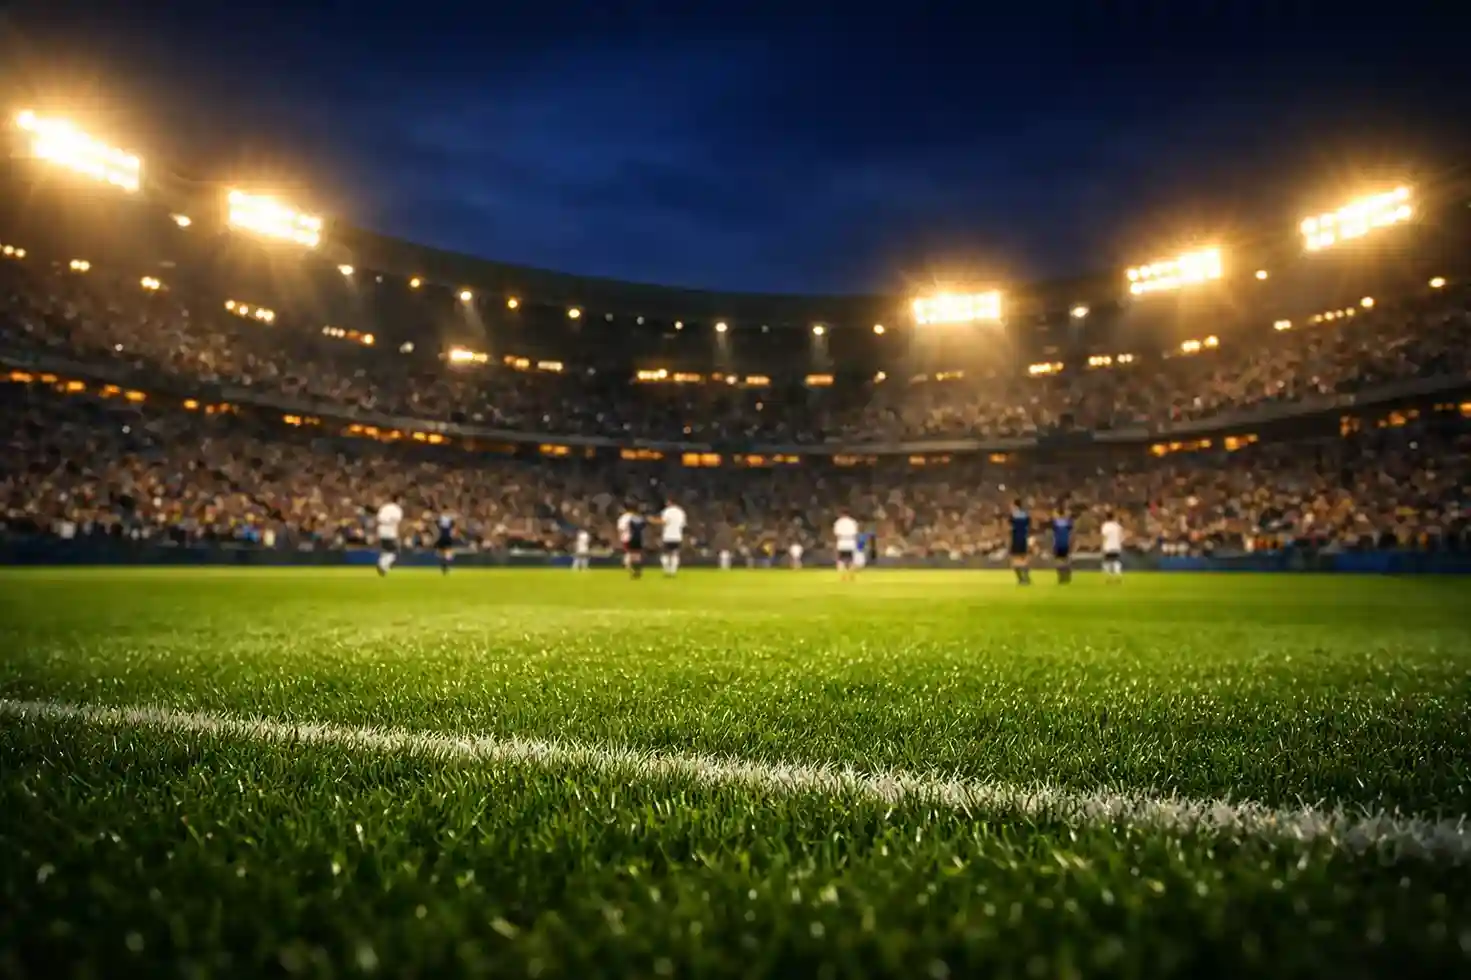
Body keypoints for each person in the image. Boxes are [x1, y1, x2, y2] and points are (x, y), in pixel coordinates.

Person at [658, 497, 687, 577]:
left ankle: (666, 570)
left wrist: (653, 520)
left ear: (670, 502)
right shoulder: (681, 512)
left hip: (667, 536)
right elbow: (683, 524)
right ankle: (673, 571)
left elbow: (664, 522)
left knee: (665, 554)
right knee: (675, 554)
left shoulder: (667, 511)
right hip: (677, 536)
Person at [616, 505, 646, 579]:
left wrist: (620, 536)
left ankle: (629, 567)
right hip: (638, 537)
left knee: (630, 553)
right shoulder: (638, 517)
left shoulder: (624, 518)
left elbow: (621, 528)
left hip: (628, 537)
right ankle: (636, 569)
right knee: (636, 554)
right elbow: (643, 525)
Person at [376, 499, 404, 577]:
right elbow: (398, 522)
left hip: (382, 530)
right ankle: (382, 564)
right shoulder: (397, 509)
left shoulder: (384, 507)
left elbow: (379, 519)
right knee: (392, 551)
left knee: (386, 550)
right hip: (391, 531)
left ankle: (384, 567)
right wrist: (398, 534)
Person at [1008, 499, 1031, 585]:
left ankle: (1021, 579)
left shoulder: (1013, 515)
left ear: (1015, 505)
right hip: (1023, 538)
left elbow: (1009, 526)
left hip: (1016, 539)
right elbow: (1029, 525)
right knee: (1024, 559)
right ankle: (1027, 578)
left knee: (1014, 560)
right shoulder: (1025, 514)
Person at [833, 509, 860, 581]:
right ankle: (851, 575)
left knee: (842, 560)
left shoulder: (838, 522)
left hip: (842, 541)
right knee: (851, 559)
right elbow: (856, 534)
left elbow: (837, 535)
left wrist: (836, 545)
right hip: (851, 542)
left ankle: (843, 576)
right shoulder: (853, 522)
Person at [1050, 504, 1074, 584]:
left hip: (1058, 543)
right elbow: (1071, 528)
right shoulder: (1068, 522)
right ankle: (1067, 575)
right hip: (1065, 543)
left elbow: (1053, 522)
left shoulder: (1055, 523)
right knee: (1065, 560)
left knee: (1058, 561)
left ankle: (1061, 577)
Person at [1101, 510, 1125, 583]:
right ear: (1113, 517)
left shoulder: (1105, 526)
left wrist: (1102, 546)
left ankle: (1109, 577)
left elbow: (1104, 537)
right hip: (1117, 546)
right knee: (1116, 561)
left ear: (1106, 517)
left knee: (1107, 562)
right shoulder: (1118, 526)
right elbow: (1122, 537)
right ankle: (1118, 576)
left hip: (1108, 546)